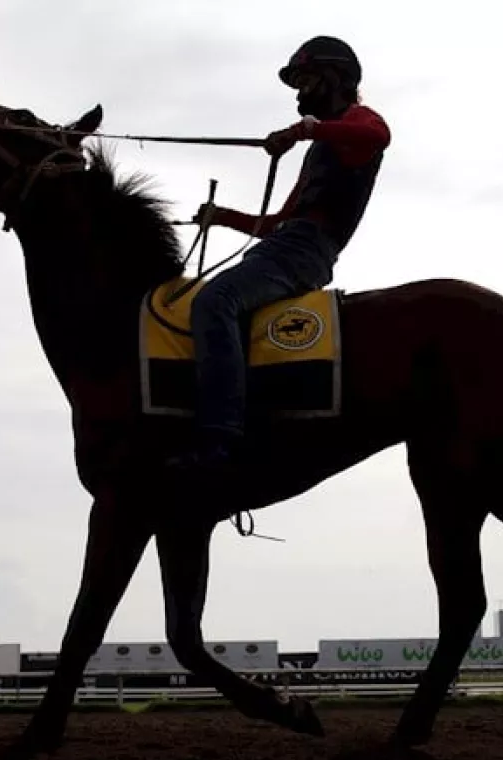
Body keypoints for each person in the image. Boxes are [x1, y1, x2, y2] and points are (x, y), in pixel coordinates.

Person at [165, 35, 392, 501]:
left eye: (305, 81)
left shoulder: (356, 124)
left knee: (215, 300)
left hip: (304, 252)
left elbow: (379, 135)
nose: (298, 94)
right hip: (286, 245)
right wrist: (221, 216)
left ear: (333, 79)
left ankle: (219, 438)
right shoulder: (321, 147)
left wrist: (302, 131)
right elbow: (276, 224)